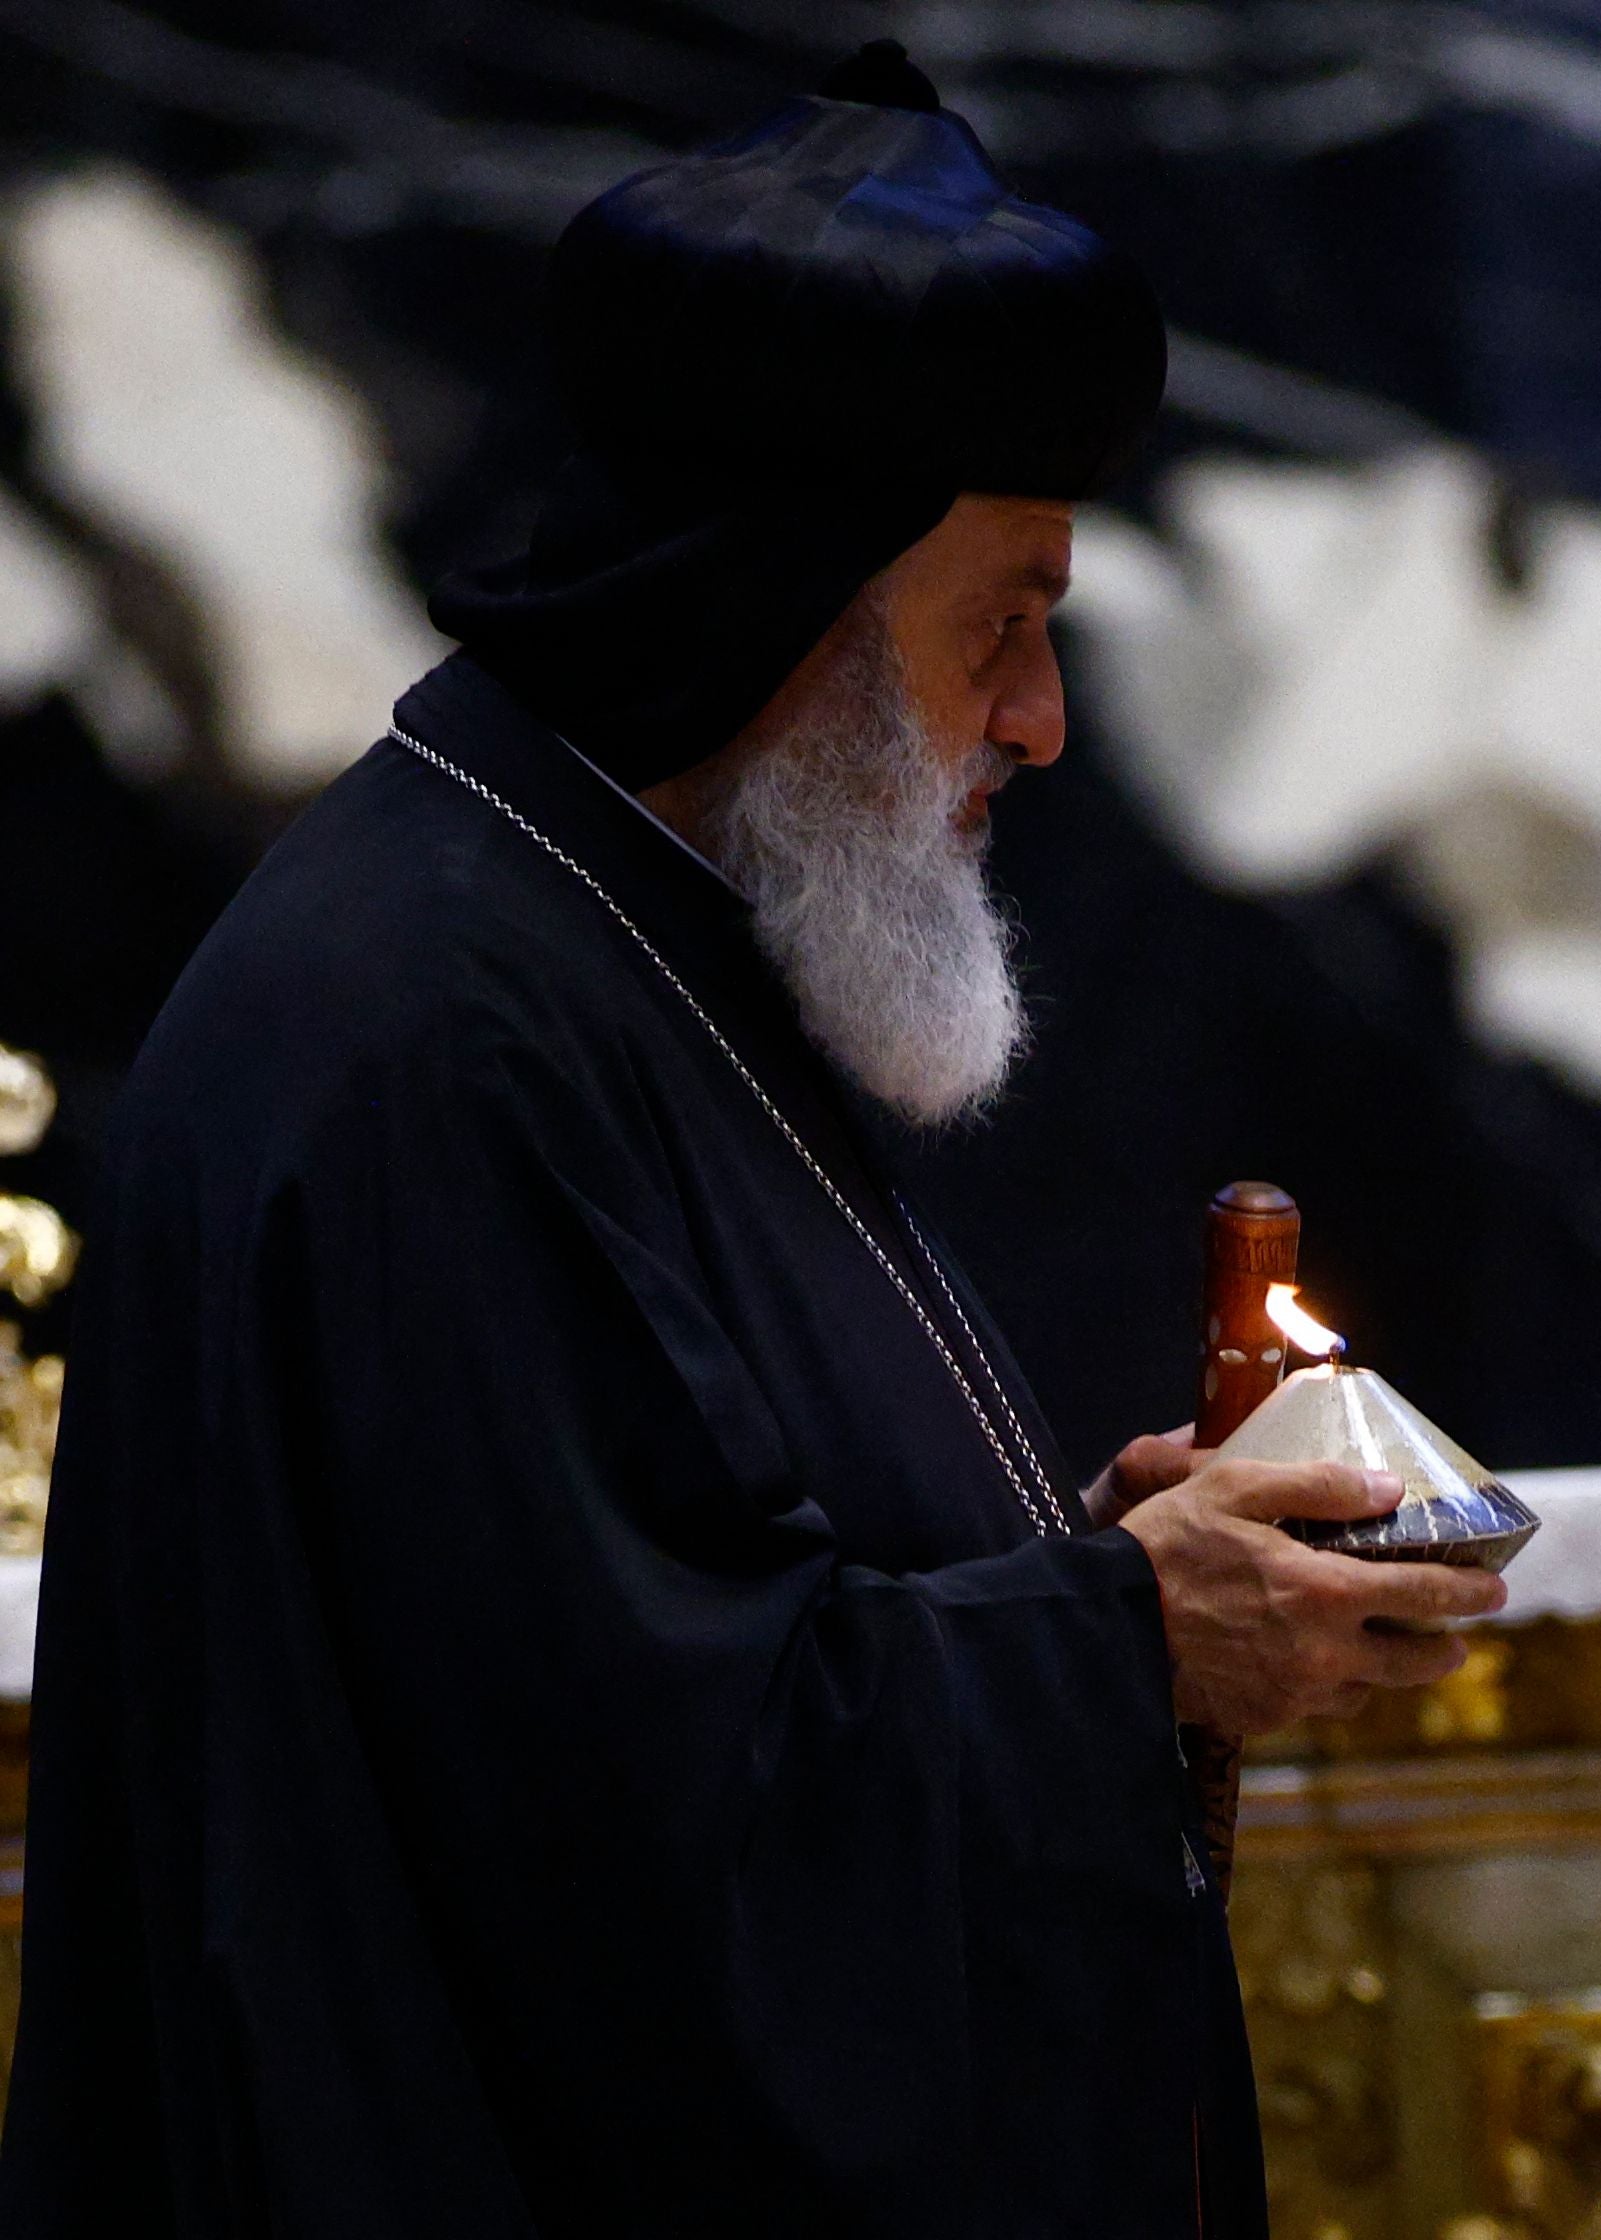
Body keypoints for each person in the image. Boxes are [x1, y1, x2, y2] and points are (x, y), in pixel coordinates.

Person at [0, 44, 1499, 2238]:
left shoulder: (614, 930)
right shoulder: (437, 1033)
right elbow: (609, 1836)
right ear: (784, 591)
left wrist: (1085, 1568)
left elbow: (693, 1592)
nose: (1042, 721)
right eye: (1004, 619)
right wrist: (1121, 1641)